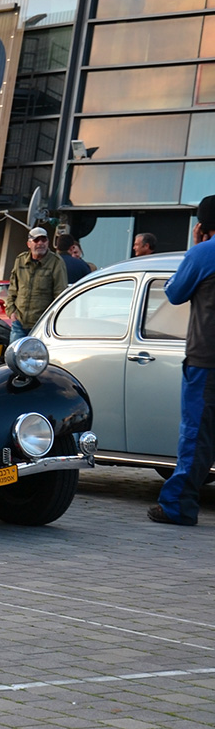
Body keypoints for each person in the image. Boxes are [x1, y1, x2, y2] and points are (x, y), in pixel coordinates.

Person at [150, 197, 215, 525]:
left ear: (202, 226)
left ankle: (178, 506)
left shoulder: (203, 253)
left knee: (196, 433)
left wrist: (197, 245)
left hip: (207, 362)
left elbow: (175, 293)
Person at [6, 226, 67, 342]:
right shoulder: (20, 260)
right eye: (36, 240)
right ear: (29, 244)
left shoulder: (56, 263)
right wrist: (11, 313)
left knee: (37, 358)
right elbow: (13, 289)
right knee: (13, 357)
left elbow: (60, 294)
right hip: (19, 323)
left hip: (41, 325)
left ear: (48, 242)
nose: (40, 243)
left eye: (43, 240)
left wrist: (51, 320)